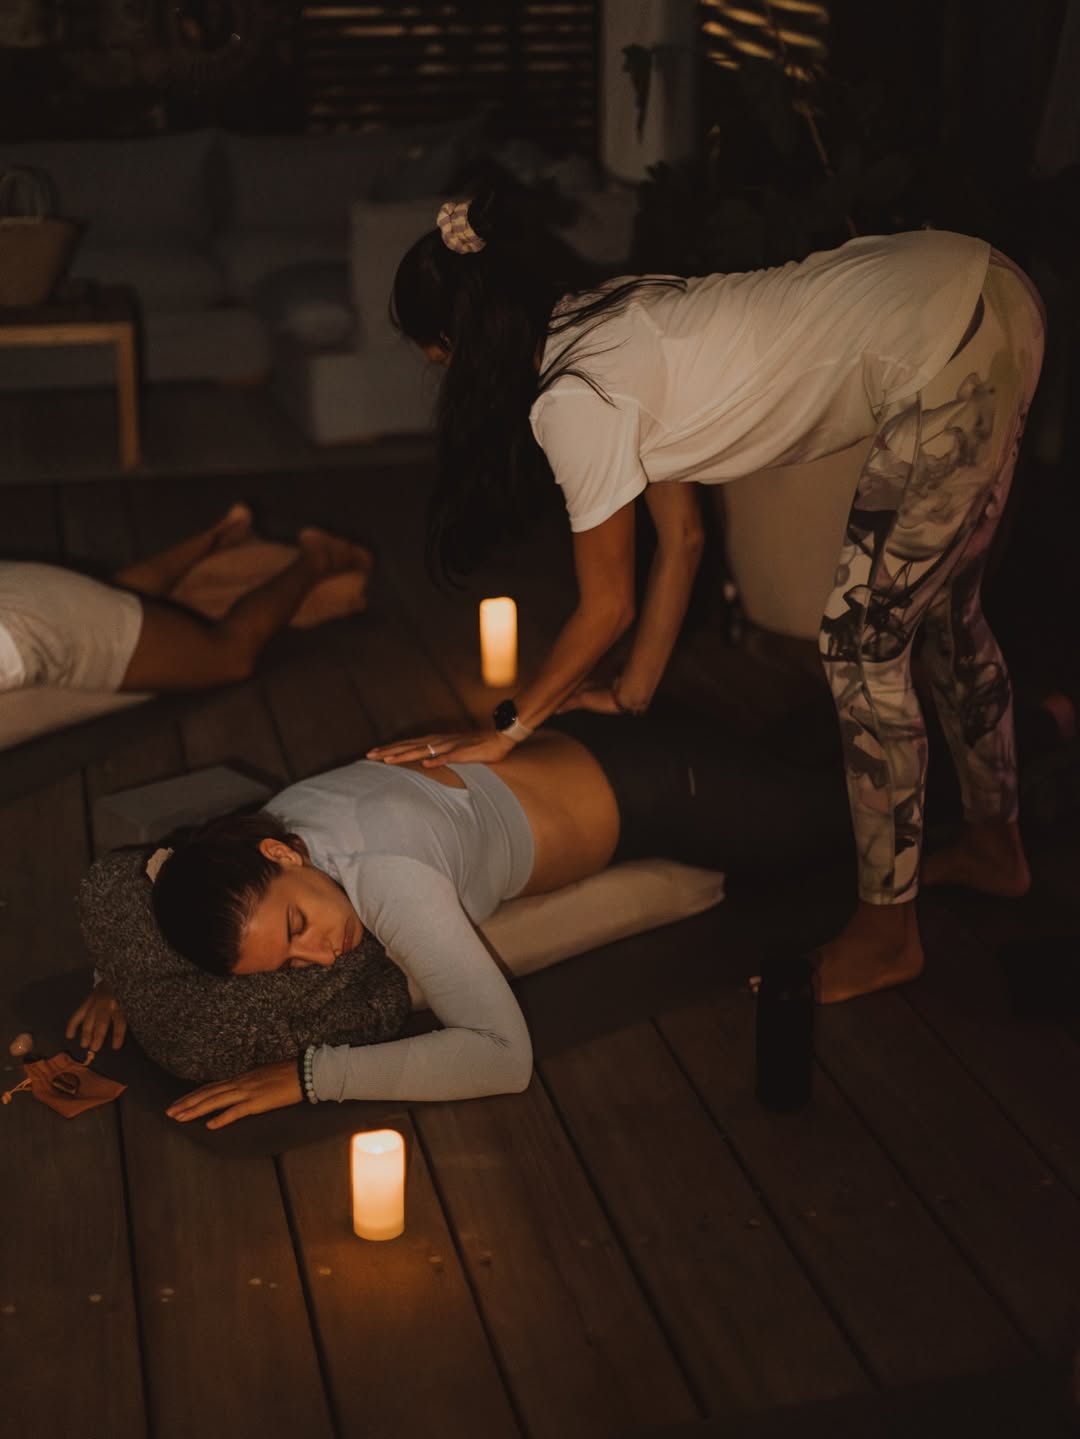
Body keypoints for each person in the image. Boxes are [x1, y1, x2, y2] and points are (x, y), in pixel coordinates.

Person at [371, 189, 1046, 1005]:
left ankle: (887, 933)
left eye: (436, 361)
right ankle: (995, 847)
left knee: (859, 639)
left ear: (458, 348)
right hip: (980, 290)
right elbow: (683, 538)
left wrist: (508, 728)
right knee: (945, 614)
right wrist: (633, 692)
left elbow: (607, 605)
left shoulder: (573, 401)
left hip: (950, 342)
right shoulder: (602, 317)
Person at [68, 707, 853, 1128]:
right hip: (592, 744)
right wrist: (119, 977)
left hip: (667, 791)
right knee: (811, 750)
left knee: (850, 817)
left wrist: (314, 1078)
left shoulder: (387, 879)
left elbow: (504, 1057)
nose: (324, 953)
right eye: (292, 961)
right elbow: (164, 870)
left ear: (279, 855)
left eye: (298, 927)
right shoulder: (259, 830)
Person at [0, 502, 372, 696]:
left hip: (29, 626)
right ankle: (216, 539)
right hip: (22, 593)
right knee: (106, 595)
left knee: (229, 656)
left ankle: (318, 559)